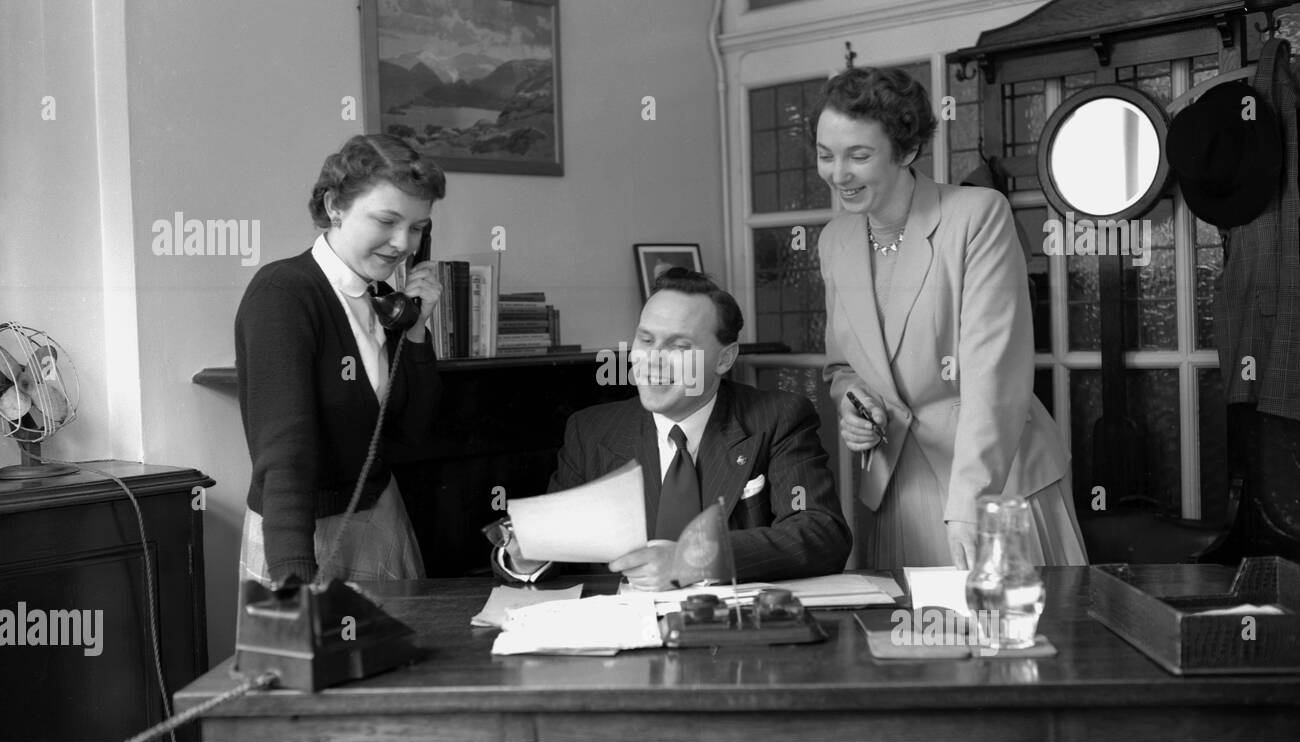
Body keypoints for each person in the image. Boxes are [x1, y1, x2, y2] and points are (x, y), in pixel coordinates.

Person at [813, 67, 1087, 570]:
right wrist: (853, 405)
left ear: (908, 151)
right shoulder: (834, 241)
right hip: (896, 485)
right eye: (826, 154)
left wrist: (971, 505)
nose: (838, 173)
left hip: (992, 482)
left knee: (1015, 640)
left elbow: (994, 374)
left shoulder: (978, 215)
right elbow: (844, 366)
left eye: (859, 155)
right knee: (912, 642)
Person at [496, 268, 852, 590]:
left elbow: (821, 533)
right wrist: (527, 557)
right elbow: (555, 548)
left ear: (725, 359)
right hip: (621, 642)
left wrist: (695, 560)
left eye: (679, 346)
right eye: (646, 341)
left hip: (733, 642)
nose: (652, 360)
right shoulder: (591, 431)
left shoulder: (777, 418)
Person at [235, 134, 445, 585]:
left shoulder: (383, 300)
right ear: (334, 206)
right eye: (387, 221)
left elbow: (413, 432)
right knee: (304, 655)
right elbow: (283, 451)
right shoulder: (284, 294)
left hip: (380, 519)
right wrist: (294, 577)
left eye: (418, 228)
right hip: (300, 535)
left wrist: (414, 327)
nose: (402, 243)